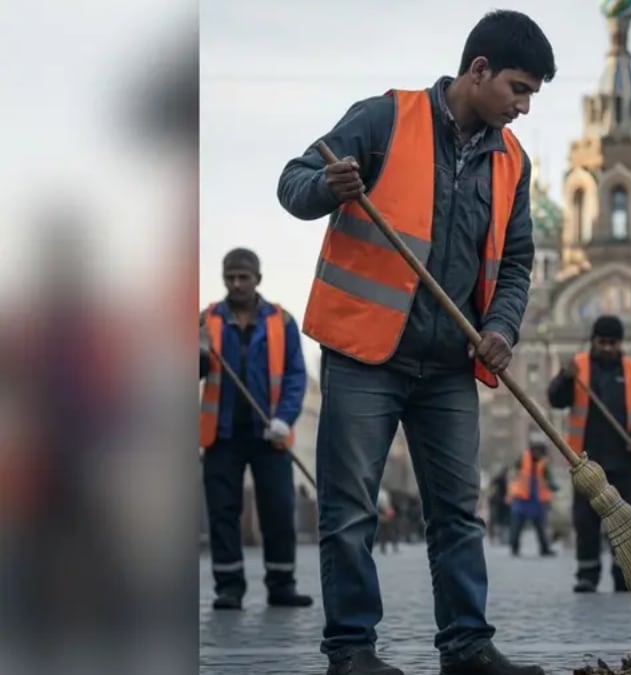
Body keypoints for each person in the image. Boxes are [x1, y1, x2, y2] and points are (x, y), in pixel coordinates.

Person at [275, 10, 556, 675]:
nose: (522, 107)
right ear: (478, 69)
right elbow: (292, 181)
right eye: (518, 88)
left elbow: (517, 261)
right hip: (366, 353)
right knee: (349, 512)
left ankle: (466, 646)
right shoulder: (383, 118)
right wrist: (326, 187)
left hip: (449, 365)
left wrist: (501, 327)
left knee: (458, 512)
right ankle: (351, 651)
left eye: (532, 96)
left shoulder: (513, 162)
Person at [199, 247, 311, 610]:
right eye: (230, 277)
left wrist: (285, 418)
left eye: (243, 277)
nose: (236, 283)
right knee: (222, 512)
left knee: (278, 510)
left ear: (257, 279)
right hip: (222, 434)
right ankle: (228, 587)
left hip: (271, 435)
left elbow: (295, 375)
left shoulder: (282, 321)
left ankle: (282, 583)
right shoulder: (205, 321)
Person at [546, 315, 631, 593]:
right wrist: (564, 378)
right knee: (586, 522)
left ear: (620, 343)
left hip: (624, 461)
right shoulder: (579, 367)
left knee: (628, 522)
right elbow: (555, 400)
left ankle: (625, 574)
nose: (608, 347)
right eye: (603, 342)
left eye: (613, 343)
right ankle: (587, 574)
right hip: (586, 461)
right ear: (593, 340)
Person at [506, 435, 558, 557]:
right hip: (522, 497)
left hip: (538, 499)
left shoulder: (544, 463)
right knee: (516, 526)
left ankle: (544, 548)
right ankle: (514, 547)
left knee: (541, 527)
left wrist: (552, 486)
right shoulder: (523, 458)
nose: (538, 452)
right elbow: (512, 472)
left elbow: (550, 481)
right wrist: (510, 490)